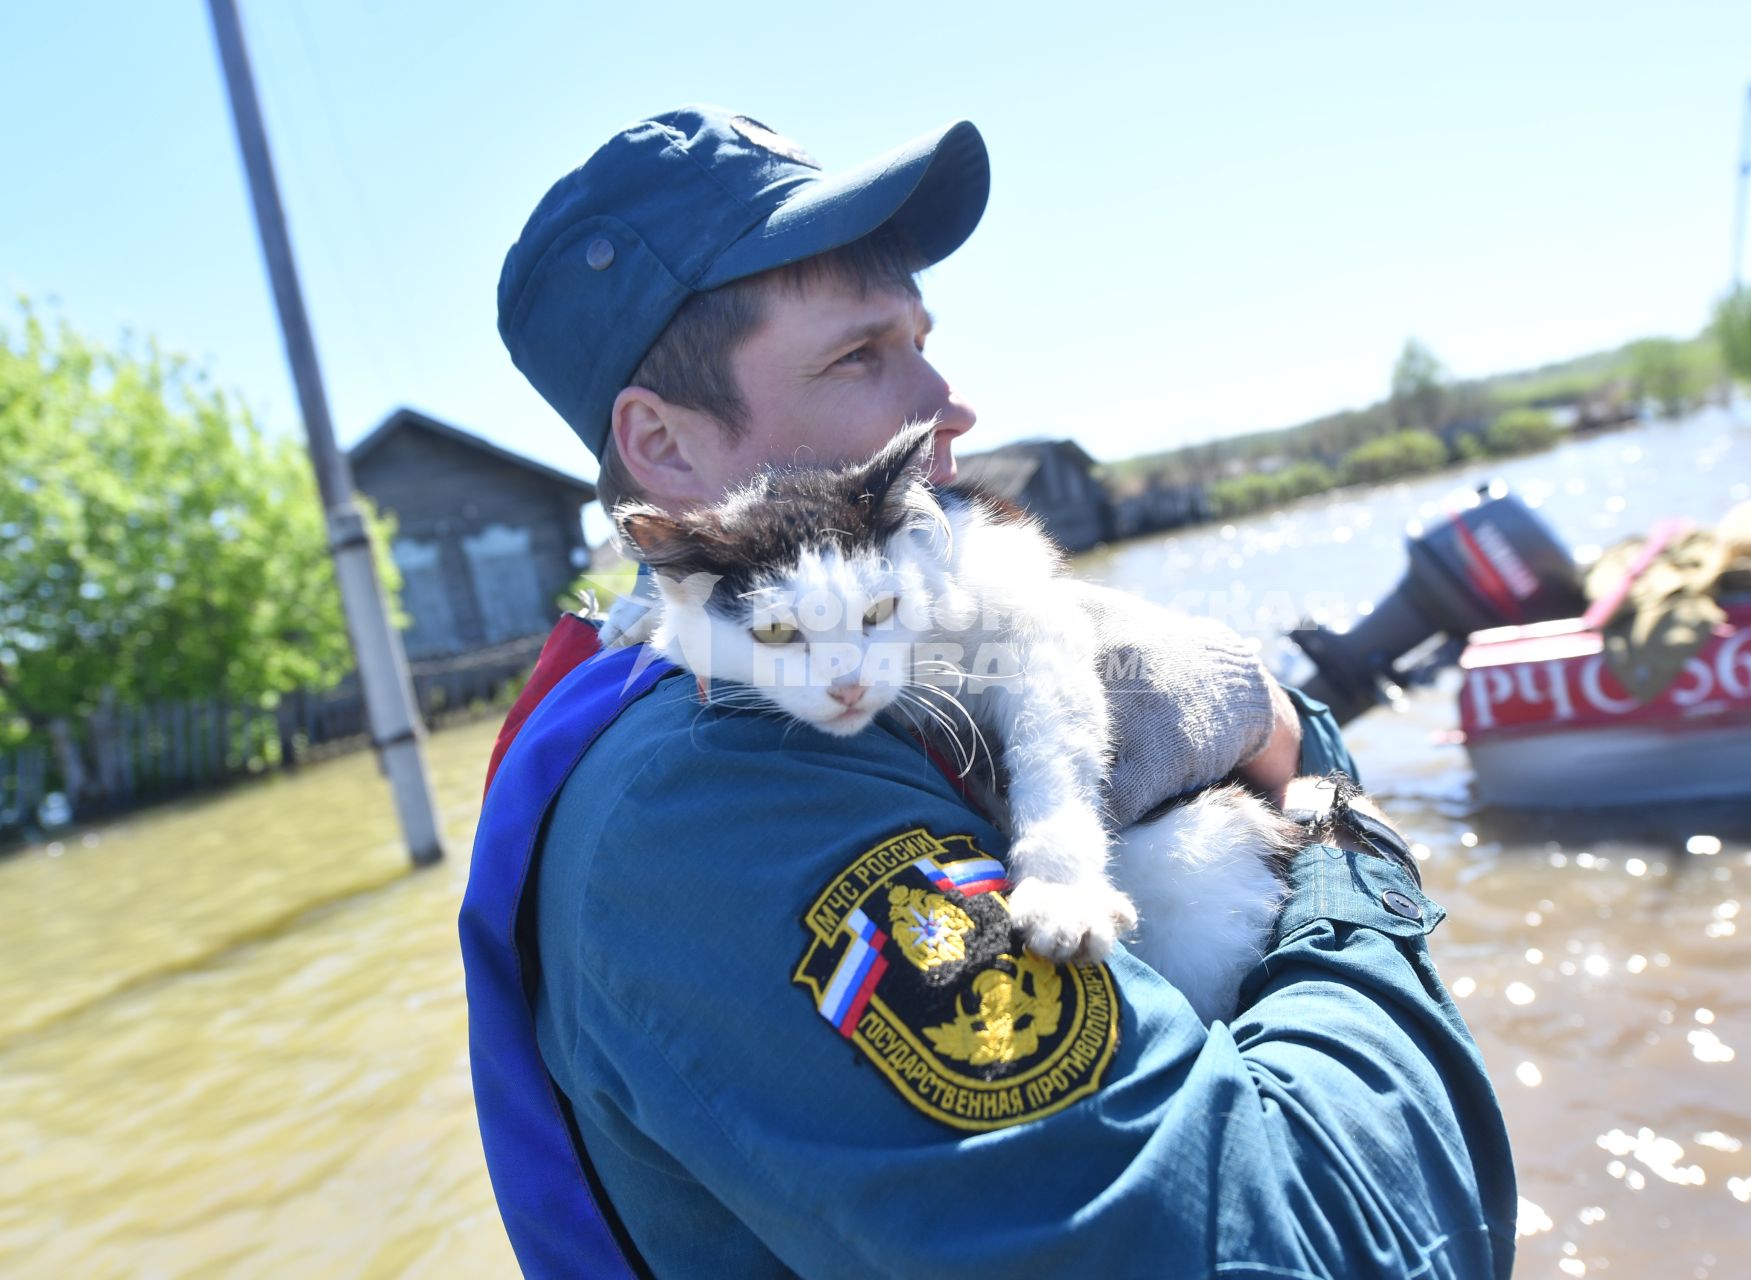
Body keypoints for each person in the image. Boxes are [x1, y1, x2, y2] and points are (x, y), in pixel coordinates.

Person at [461, 106, 1517, 1279]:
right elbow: (1333, 1248)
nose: (948, 401)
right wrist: (1333, 832)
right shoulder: (711, 810)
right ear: (663, 447)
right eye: (861, 356)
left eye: (922, 339)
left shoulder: (790, 681)